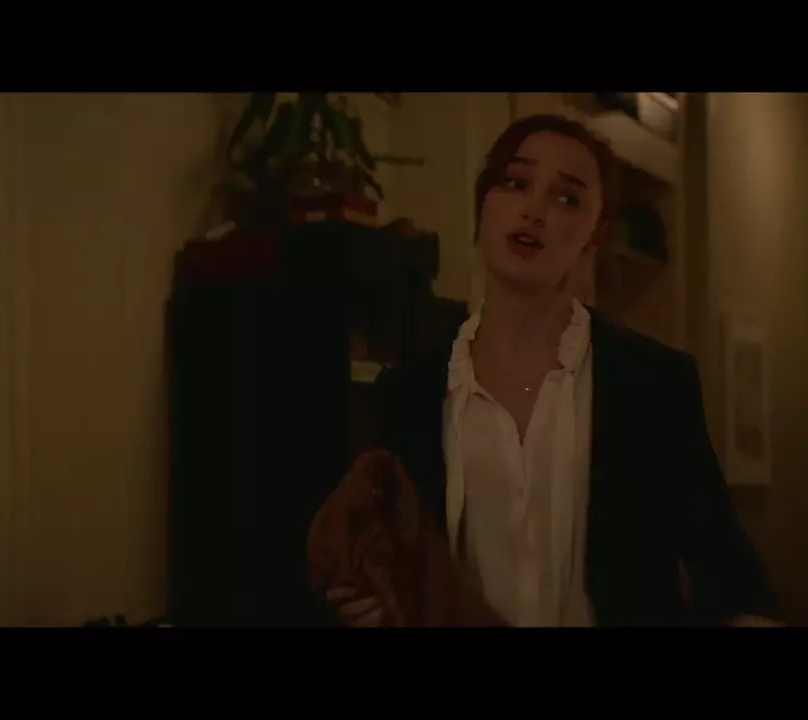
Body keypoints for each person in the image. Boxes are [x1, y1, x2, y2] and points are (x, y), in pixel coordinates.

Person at [327, 114, 779, 627]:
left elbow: (726, 568)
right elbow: (390, 563)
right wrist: (368, 603)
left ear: (594, 233)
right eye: (516, 183)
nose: (534, 210)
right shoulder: (409, 391)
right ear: (483, 205)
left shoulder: (652, 383)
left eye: (567, 198)